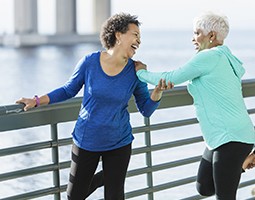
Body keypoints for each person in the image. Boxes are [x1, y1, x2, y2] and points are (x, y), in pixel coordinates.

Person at [16, 13, 173, 200]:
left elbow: (146, 109)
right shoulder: (90, 62)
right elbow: (68, 90)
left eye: (140, 37)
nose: (139, 40)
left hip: (119, 142)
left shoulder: (136, 72)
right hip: (86, 140)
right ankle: (101, 179)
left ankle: (107, 177)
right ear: (118, 35)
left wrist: (157, 93)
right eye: (135, 34)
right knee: (74, 196)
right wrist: (37, 100)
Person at [133, 12, 255, 199]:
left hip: (231, 137)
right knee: (204, 187)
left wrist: (141, 73)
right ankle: (253, 157)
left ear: (211, 36)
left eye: (196, 33)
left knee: (224, 196)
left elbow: (170, 78)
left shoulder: (208, 58)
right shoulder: (224, 56)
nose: (193, 38)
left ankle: (246, 159)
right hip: (219, 136)